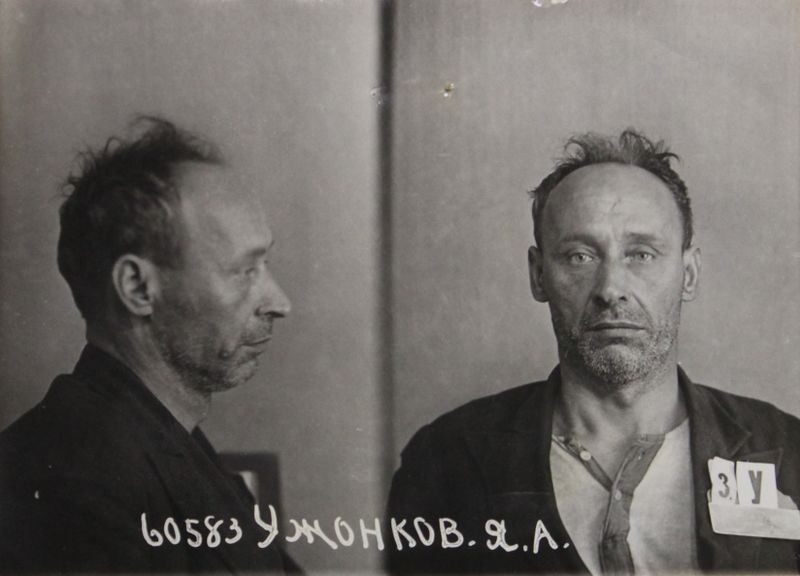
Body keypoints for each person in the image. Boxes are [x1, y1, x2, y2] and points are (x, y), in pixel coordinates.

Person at [387, 130, 800, 574]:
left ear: (689, 274)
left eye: (641, 254)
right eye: (579, 256)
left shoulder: (786, 449)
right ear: (538, 275)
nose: (611, 289)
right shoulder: (447, 460)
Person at [0, 117, 297, 573]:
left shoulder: (166, 440)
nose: (280, 303)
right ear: (137, 288)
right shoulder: (73, 483)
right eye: (244, 271)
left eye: (266, 265)